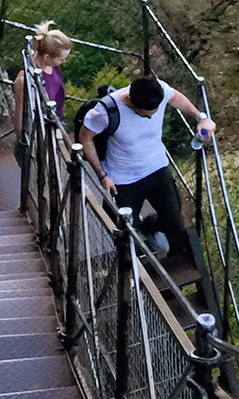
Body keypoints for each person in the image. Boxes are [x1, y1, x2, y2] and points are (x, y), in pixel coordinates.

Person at [77, 74, 213, 266]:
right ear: (131, 101)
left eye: (155, 111)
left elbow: (176, 97)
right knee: (123, 233)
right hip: (123, 179)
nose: (151, 116)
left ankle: (172, 274)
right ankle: (133, 279)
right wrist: (102, 176)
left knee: (175, 226)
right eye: (146, 113)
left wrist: (201, 118)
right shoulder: (107, 110)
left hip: (157, 169)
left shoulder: (159, 89)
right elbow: (85, 138)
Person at [14, 21, 71, 142]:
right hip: (40, 133)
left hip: (55, 120)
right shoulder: (25, 80)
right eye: (61, 59)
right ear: (46, 57)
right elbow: (20, 114)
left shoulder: (52, 66)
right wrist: (23, 139)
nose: (63, 62)